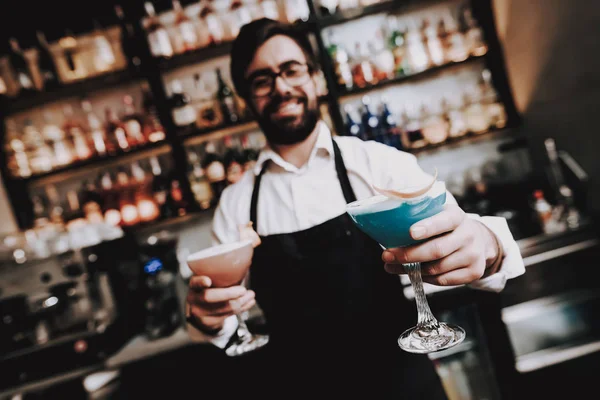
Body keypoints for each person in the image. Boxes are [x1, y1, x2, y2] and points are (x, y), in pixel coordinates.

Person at [185, 18, 525, 398]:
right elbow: (228, 322)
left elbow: (467, 240)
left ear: (315, 77)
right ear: (247, 98)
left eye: (291, 70)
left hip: (401, 385)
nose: (281, 87)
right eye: (261, 80)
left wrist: (488, 244)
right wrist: (209, 319)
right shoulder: (235, 203)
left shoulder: (377, 164)